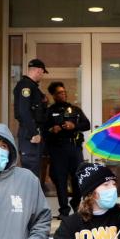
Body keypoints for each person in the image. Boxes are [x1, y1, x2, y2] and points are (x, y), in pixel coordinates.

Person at [44, 81, 91, 217]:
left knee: (78, 178)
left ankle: (76, 206)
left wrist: (73, 125)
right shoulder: (50, 111)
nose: (63, 94)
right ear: (53, 95)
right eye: (59, 93)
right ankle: (64, 211)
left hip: (74, 148)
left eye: (64, 92)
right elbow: (43, 131)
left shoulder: (74, 109)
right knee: (60, 180)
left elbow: (86, 124)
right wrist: (53, 129)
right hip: (57, 149)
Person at [13, 58, 49, 179]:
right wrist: (34, 133)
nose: (42, 75)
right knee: (31, 172)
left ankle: (33, 198)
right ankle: (30, 198)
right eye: (43, 72)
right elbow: (24, 111)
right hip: (30, 133)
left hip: (32, 131)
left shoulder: (33, 87)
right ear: (39, 70)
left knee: (35, 171)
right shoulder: (26, 86)